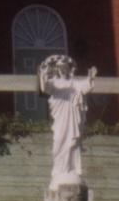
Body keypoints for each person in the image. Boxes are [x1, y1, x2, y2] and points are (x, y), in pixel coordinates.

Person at [38, 53, 96, 186]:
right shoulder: (54, 83)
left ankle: (71, 170)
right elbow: (45, 88)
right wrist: (43, 75)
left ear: (69, 69)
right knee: (59, 142)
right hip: (60, 119)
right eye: (60, 67)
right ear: (57, 69)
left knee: (73, 143)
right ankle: (59, 171)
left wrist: (90, 78)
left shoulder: (74, 83)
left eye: (66, 67)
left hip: (72, 118)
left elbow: (85, 87)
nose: (63, 70)